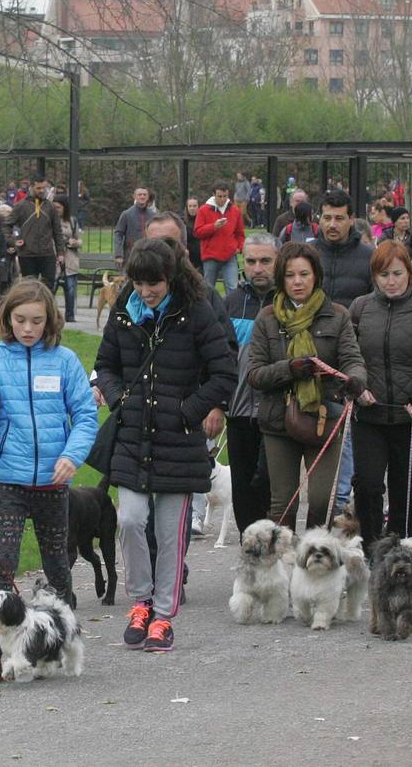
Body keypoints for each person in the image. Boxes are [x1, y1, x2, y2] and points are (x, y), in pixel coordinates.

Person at [93, 238, 237, 653]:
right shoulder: (124, 311)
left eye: (153, 282)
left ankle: (163, 616)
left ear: (170, 277)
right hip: (133, 436)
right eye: (138, 283)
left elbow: (224, 371)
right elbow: (105, 365)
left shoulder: (197, 311)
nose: (145, 291)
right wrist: (120, 398)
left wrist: (189, 411)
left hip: (179, 440)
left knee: (170, 532)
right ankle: (140, 602)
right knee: (130, 520)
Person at [0, 279, 98, 684]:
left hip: (53, 485)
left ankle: (60, 640)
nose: (28, 329)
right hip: (9, 481)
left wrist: (72, 456)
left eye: (37, 321)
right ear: (6, 319)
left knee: (58, 565)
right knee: (3, 563)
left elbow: (85, 417)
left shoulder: (66, 361)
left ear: (50, 320)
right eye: (20, 320)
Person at [247, 241, 366, 531]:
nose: (297, 282)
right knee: (283, 500)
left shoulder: (337, 315)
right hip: (278, 418)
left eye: (304, 274)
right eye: (290, 275)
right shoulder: (267, 318)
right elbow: (255, 373)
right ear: (281, 279)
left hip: (325, 415)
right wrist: (290, 369)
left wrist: (356, 379)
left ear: (316, 276)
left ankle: (314, 561)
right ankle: (284, 565)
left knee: (323, 499)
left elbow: (353, 359)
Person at [348, 240, 412, 550]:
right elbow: (349, 357)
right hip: (370, 414)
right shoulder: (360, 308)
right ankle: (371, 548)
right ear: (374, 277)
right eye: (383, 275)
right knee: (367, 485)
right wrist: (359, 386)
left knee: (405, 489)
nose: (391, 282)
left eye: (396, 273)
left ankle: (400, 551)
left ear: (409, 272)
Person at [310, 189, 374, 512]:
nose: (332, 224)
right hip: (311, 357)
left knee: (349, 438)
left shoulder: (366, 258)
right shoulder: (307, 254)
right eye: (326, 217)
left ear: (352, 219)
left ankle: (342, 505)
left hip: (352, 358)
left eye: (339, 218)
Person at [223, 233, 280, 532]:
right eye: (251, 261)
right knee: (243, 491)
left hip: (279, 412)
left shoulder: (290, 300)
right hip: (239, 410)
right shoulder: (229, 304)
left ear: (278, 261)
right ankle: (251, 554)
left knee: (274, 489)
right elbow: (218, 358)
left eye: (265, 261)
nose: (258, 268)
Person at [9, 178, 63, 288]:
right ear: (31, 188)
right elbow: (6, 225)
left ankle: (46, 305)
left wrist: (60, 252)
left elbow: (57, 231)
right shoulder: (20, 206)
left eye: (44, 188)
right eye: (39, 188)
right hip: (27, 253)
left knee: (48, 286)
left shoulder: (50, 207)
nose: (42, 191)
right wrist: (13, 240)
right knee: (30, 287)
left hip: (47, 253)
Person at [193, 183, 247, 295]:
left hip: (229, 256)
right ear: (214, 195)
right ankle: (209, 311)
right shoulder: (203, 210)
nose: (222, 199)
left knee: (232, 288)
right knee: (208, 289)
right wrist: (213, 227)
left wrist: (239, 247)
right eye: (219, 196)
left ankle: (231, 312)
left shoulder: (235, 211)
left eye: (225, 196)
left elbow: (240, 234)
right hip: (210, 256)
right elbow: (197, 232)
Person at [112, 187, 158, 267]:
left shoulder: (154, 215)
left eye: (144, 194)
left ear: (148, 197)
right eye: (139, 194)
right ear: (134, 196)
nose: (142, 197)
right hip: (131, 256)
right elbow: (118, 234)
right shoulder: (126, 214)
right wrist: (118, 254)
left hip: (150, 257)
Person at [54, 197, 82, 323]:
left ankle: (70, 316)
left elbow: (79, 239)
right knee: (51, 289)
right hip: (55, 259)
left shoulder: (72, 221)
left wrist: (76, 242)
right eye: (54, 207)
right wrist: (65, 241)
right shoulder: (50, 220)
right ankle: (49, 314)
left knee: (70, 290)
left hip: (70, 260)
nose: (56, 210)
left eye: (58, 207)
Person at [182, 198, 203, 269]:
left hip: (202, 256)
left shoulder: (204, 220)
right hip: (188, 257)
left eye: (194, 206)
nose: (192, 208)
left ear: (199, 207)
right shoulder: (182, 222)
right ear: (187, 208)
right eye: (190, 206)